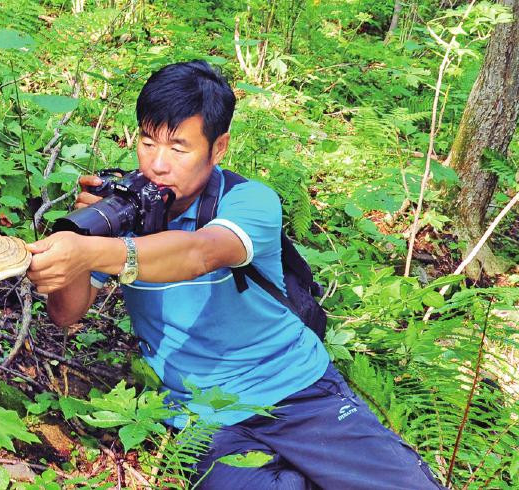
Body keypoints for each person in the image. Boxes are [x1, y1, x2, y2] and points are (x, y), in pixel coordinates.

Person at [25, 60, 444, 489]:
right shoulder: (126, 209)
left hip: (299, 391)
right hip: (206, 417)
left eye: (178, 148)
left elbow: (201, 253)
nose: (157, 164)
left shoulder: (248, 201)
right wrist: (81, 231)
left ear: (218, 147)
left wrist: (96, 248)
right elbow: (66, 313)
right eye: (147, 142)